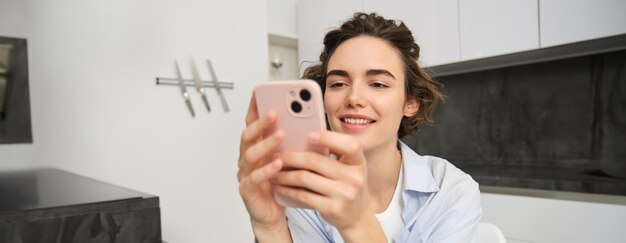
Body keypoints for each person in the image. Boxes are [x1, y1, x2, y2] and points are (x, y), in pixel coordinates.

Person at [237, 12, 481, 243]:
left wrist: (357, 222)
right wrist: (270, 227)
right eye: (338, 83)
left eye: (377, 84)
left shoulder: (452, 191)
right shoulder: (305, 186)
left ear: (410, 102)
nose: (354, 97)